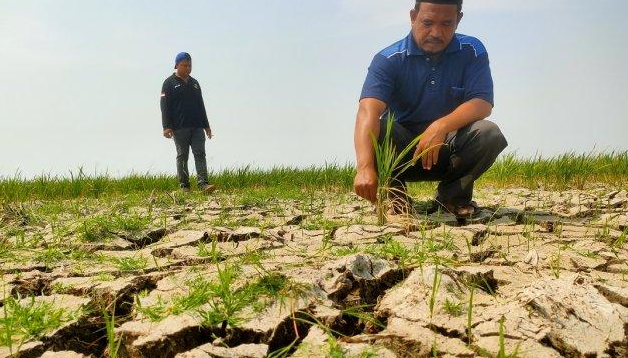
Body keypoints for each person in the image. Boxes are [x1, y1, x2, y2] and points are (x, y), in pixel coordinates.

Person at [353, 0, 508, 217]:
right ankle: (394, 195)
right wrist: (365, 167)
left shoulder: (472, 50)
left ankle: (452, 198)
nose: (436, 32)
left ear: (459, 20)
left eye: (446, 24)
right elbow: (367, 111)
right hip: (401, 155)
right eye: (427, 22)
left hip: (448, 150)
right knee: (378, 128)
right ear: (413, 16)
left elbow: (482, 103)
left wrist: (440, 126)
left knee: (488, 133)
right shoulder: (388, 59)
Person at [160, 52, 215, 193]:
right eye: (184, 65)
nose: (188, 68)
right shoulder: (169, 83)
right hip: (179, 127)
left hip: (197, 126)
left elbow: (201, 105)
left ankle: (203, 184)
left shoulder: (195, 83)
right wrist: (166, 127)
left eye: (189, 65)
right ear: (177, 65)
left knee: (200, 154)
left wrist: (206, 125)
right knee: (182, 155)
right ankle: (184, 186)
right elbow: (164, 106)